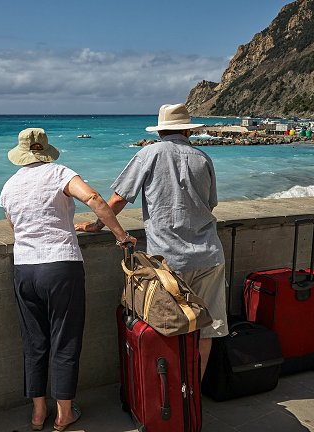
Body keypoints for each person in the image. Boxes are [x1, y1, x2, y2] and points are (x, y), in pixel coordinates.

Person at [75, 103, 228, 379]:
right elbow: (210, 205)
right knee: (208, 329)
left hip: (168, 261)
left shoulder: (149, 154)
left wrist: (98, 224)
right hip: (209, 255)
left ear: (160, 131)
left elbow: (119, 198)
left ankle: (171, 395)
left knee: (168, 327)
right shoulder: (203, 158)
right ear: (187, 130)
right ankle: (193, 393)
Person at [0, 128, 136, 431]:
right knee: (65, 339)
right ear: (46, 151)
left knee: (34, 342)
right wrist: (121, 236)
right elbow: (93, 197)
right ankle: (63, 413)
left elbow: (16, 225)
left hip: (25, 268)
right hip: (61, 266)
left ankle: (37, 413)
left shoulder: (9, 186)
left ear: (21, 154)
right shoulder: (59, 173)